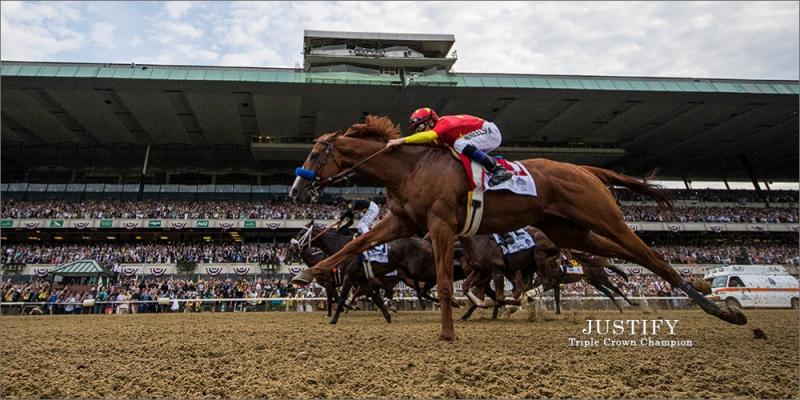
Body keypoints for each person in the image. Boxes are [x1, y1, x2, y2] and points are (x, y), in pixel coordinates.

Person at [386, 108, 512, 187]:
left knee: (459, 144)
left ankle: (497, 169)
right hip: (476, 138)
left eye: (420, 128)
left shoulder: (444, 123)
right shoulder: (437, 137)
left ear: (430, 121)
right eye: (416, 130)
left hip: (488, 131)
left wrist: (401, 140)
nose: (419, 133)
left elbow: (429, 135)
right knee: (456, 150)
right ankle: (490, 165)